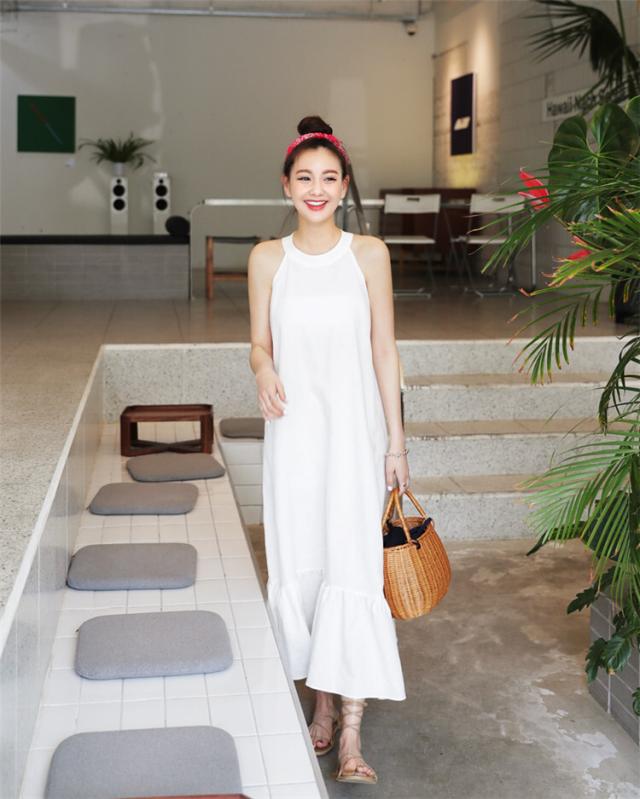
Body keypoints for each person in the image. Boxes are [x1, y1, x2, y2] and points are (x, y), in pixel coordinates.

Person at [248, 115, 409, 785]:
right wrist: (263, 368)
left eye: (329, 178)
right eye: (305, 178)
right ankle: (319, 700)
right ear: (286, 186)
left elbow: (384, 349)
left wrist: (396, 443)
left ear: (344, 187)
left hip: (353, 436)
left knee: (352, 566)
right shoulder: (268, 258)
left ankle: (350, 729)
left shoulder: (368, 254)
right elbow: (259, 342)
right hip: (294, 437)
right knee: (304, 561)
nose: (317, 189)